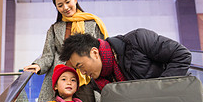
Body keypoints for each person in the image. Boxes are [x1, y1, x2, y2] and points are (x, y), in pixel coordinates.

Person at [59, 29, 192, 92]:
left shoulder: (137, 41)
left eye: (81, 66)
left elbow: (182, 55)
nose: (82, 73)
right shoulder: (100, 83)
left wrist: (159, 90)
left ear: (94, 53)